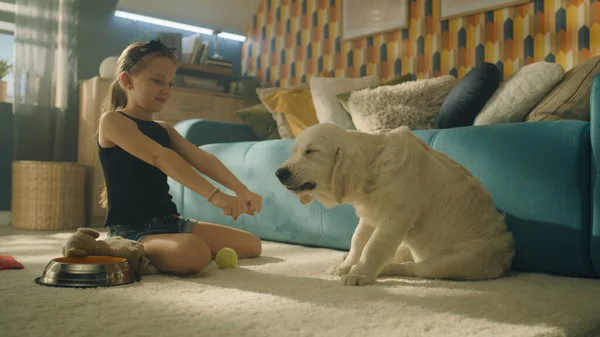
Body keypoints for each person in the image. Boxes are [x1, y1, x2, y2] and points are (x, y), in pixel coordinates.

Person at [97, 39, 263, 275]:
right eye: (157, 81)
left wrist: (241, 189)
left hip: (173, 223)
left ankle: (166, 252)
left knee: (252, 245)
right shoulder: (113, 122)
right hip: (133, 232)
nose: (166, 89)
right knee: (195, 253)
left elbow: (201, 158)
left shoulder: (163, 128)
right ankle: (129, 249)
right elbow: (160, 157)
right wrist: (214, 195)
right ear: (126, 81)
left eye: (170, 83)